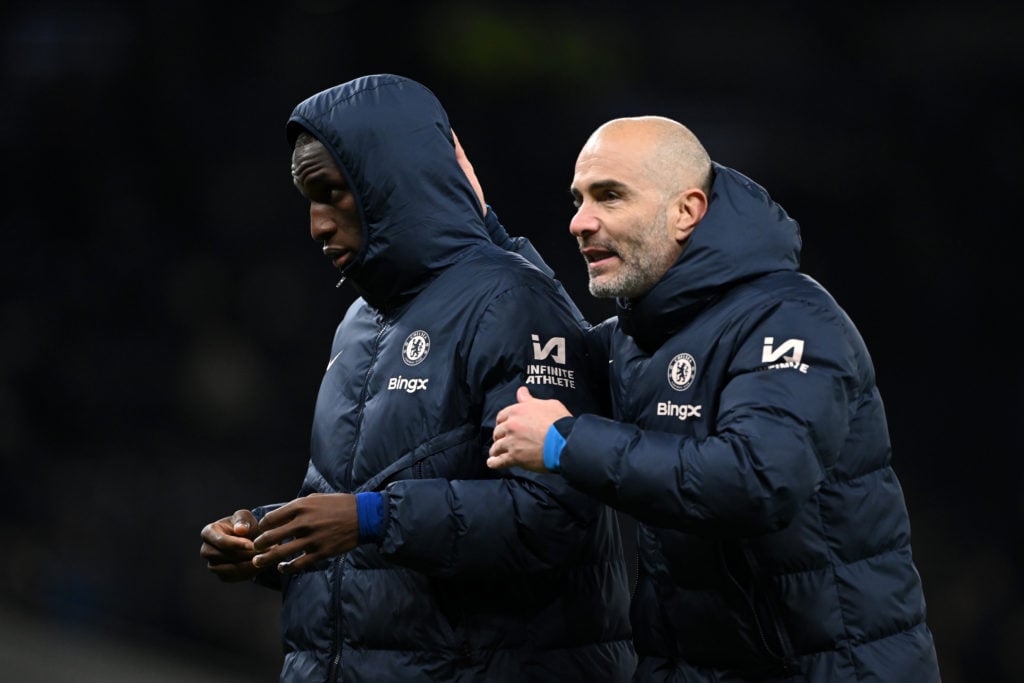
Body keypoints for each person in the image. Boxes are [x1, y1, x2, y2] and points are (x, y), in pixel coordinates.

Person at [199, 74, 635, 682]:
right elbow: (357, 506)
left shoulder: (513, 303)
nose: (317, 225)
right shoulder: (357, 323)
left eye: (332, 193)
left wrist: (371, 517)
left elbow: (553, 517)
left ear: (390, 185)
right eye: (308, 199)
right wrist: (270, 536)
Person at [487, 116, 941, 681]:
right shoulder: (639, 336)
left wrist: (563, 444)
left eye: (609, 196)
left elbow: (756, 479)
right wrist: (478, 229)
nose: (580, 222)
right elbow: (554, 342)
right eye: (577, 200)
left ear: (686, 211)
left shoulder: (792, 318)